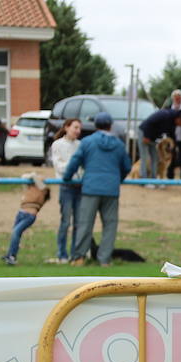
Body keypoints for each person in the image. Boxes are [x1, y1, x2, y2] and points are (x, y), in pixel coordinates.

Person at [63, 111, 131, 267]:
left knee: (85, 223)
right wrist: (117, 179)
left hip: (90, 188)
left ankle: (79, 257)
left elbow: (75, 161)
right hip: (111, 190)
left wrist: (67, 178)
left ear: (95, 125)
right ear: (110, 125)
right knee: (110, 225)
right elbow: (127, 166)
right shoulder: (119, 144)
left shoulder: (87, 142)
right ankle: (104, 259)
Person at [47, 118, 83, 262]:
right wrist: (73, 165)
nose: (78, 131)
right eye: (75, 127)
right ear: (67, 127)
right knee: (65, 221)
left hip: (79, 186)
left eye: (79, 128)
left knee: (78, 222)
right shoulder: (57, 144)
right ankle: (62, 253)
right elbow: (59, 167)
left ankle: (75, 253)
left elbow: (82, 166)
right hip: (66, 186)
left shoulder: (80, 145)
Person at [2, 173, 50, 265]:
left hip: (29, 215)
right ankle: (11, 255)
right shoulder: (29, 188)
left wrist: (35, 176)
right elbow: (24, 176)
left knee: (16, 232)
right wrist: (33, 175)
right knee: (15, 234)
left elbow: (39, 181)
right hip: (21, 213)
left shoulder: (43, 190)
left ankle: (12, 256)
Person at [138, 105, 177, 181]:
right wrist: (146, 136)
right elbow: (149, 122)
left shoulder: (169, 119)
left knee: (155, 158)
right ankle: (143, 180)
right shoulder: (164, 115)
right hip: (144, 133)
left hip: (153, 137)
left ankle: (154, 179)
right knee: (144, 157)